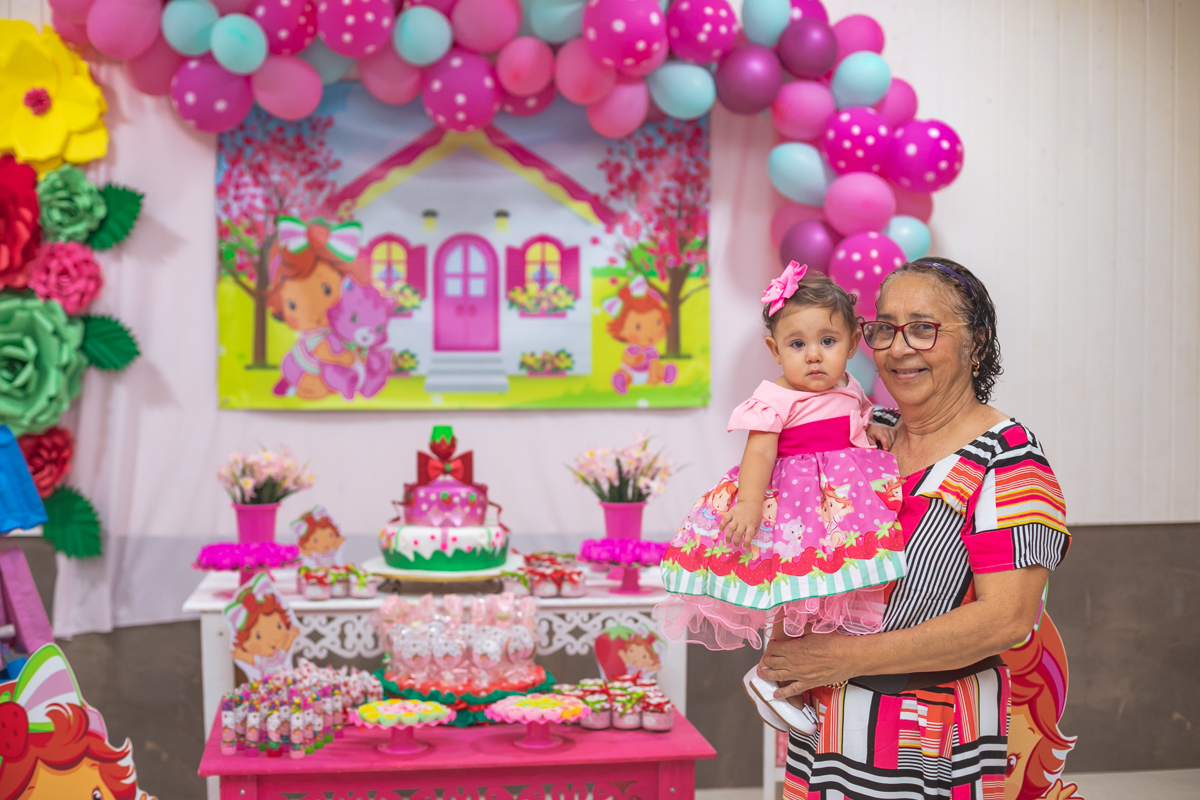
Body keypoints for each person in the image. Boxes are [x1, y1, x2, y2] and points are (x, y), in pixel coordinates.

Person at [758, 257, 1072, 800]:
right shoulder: (861, 437)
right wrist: (785, 659)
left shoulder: (1007, 460)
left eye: (924, 329)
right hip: (826, 730)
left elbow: (1008, 618)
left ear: (977, 342)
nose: (899, 348)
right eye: (885, 329)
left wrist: (840, 658)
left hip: (928, 742)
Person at [658, 261, 904, 731]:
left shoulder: (851, 389)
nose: (814, 356)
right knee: (791, 594)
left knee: (825, 596)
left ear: (853, 343)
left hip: (842, 510)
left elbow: (854, 423)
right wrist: (749, 503)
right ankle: (771, 671)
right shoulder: (776, 398)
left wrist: (870, 427)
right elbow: (759, 451)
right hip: (796, 510)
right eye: (797, 344)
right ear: (775, 350)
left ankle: (803, 677)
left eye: (827, 342)